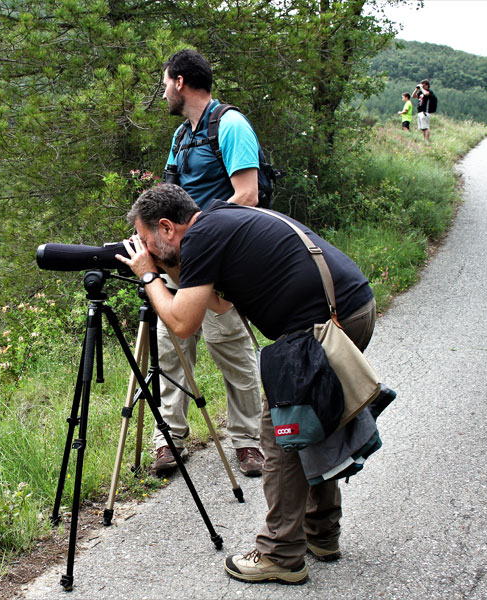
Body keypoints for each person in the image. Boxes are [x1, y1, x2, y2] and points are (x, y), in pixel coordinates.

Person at [116, 183, 376, 585]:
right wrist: (165, 268)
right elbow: (221, 303)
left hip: (322, 327)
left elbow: (184, 324)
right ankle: (321, 534)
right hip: (350, 308)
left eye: (146, 239)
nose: (144, 248)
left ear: (167, 227)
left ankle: (279, 555)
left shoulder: (201, 238)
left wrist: (147, 274)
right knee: (314, 425)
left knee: (282, 437)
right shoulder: (218, 221)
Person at [150, 48, 264, 477]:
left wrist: (198, 234)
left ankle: (249, 442)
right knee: (171, 351)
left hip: (220, 265)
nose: (163, 92)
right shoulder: (182, 138)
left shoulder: (231, 125)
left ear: (180, 81)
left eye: (165, 83)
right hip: (180, 265)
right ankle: (170, 440)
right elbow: (166, 198)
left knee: (232, 349)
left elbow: (248, 195)